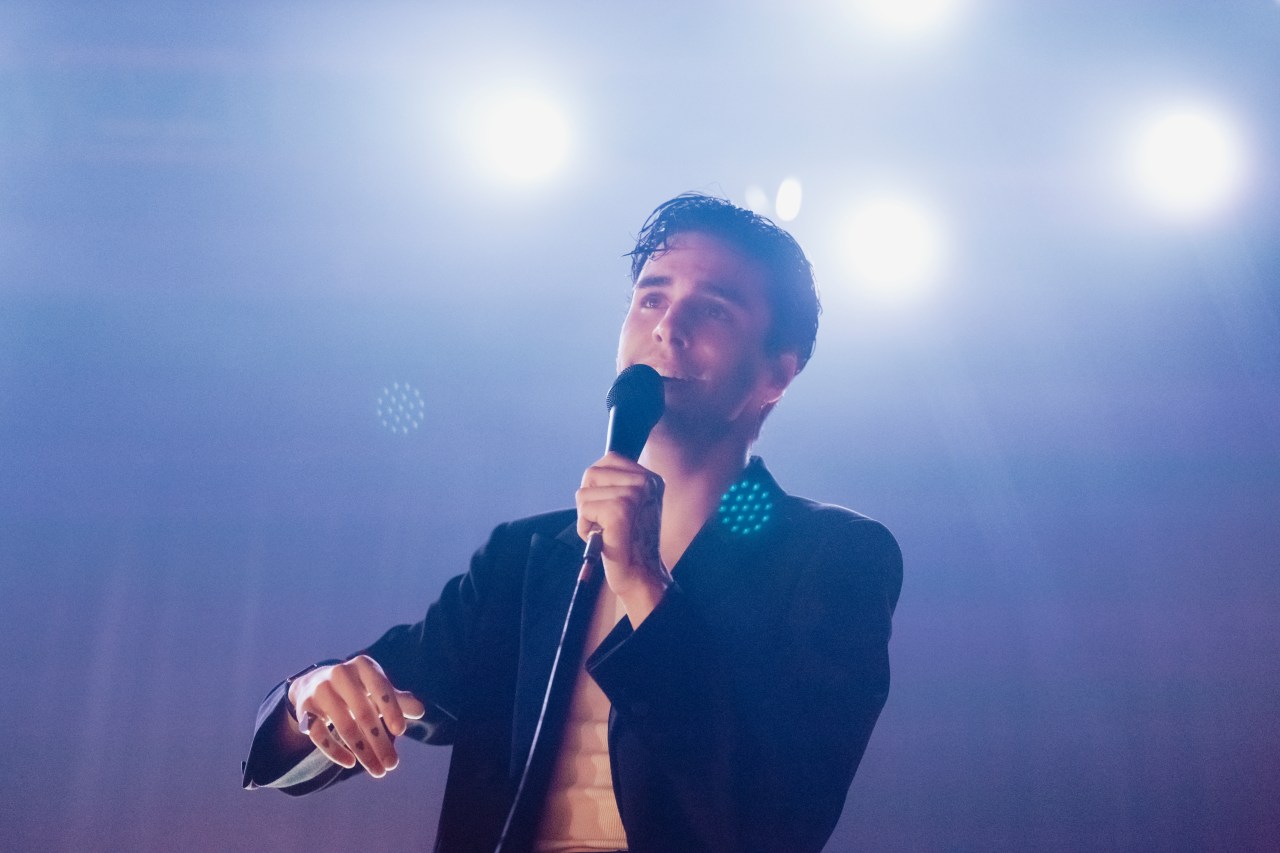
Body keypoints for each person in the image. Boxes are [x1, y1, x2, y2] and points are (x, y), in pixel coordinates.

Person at [242, 193, 903, 853]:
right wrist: (311, 696)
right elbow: (353, 704)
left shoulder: (833, 555)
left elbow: (777, 820)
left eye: (713, 310)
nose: (667, 328)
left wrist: (645, 582)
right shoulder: (524, 557)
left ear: (777, 372)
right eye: (651, 298)